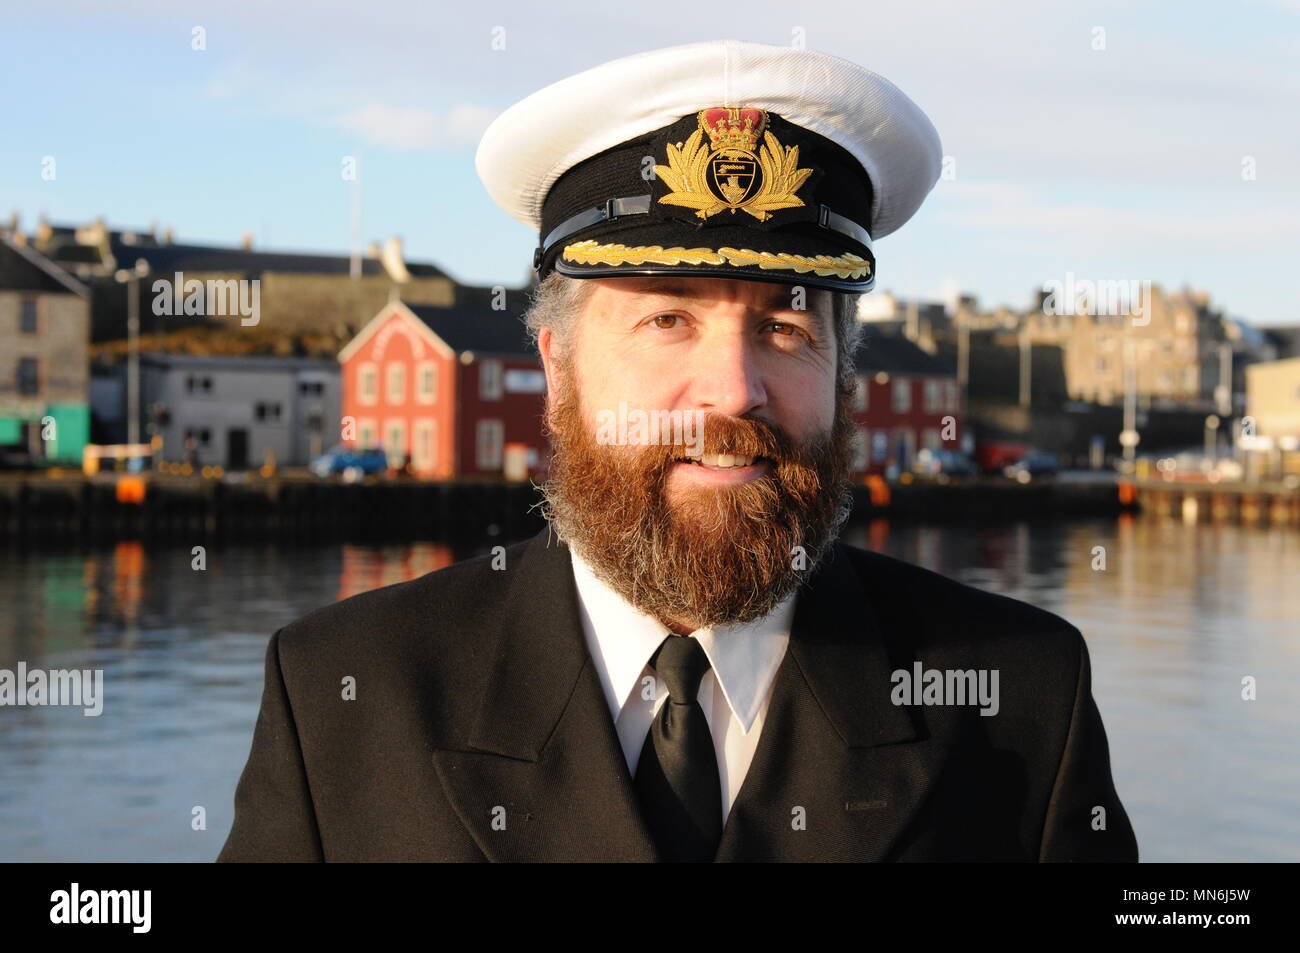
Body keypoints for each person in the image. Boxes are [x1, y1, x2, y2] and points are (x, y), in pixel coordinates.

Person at [218, 39, 1137, 862]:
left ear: (843, 369)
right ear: (558, 363)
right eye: (668, 316)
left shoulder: (1020, 699)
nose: (734, 388)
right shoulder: (345, 698)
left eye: (787, 324)